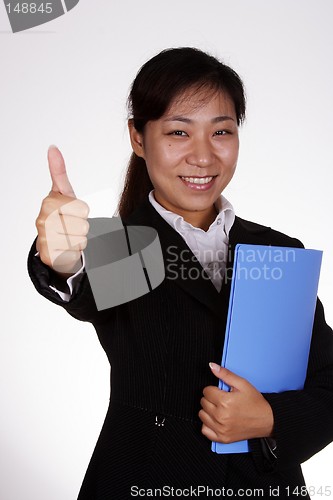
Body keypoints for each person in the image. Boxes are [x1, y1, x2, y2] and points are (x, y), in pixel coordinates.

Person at [28, 47, 333, 499]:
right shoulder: (131, 246)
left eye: (222, 131)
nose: (203, 156)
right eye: (178, 132)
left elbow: (327, 383)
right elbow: (83, 283)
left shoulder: (276, 251)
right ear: (137, 137)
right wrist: (62, 257)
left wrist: (271, 419)